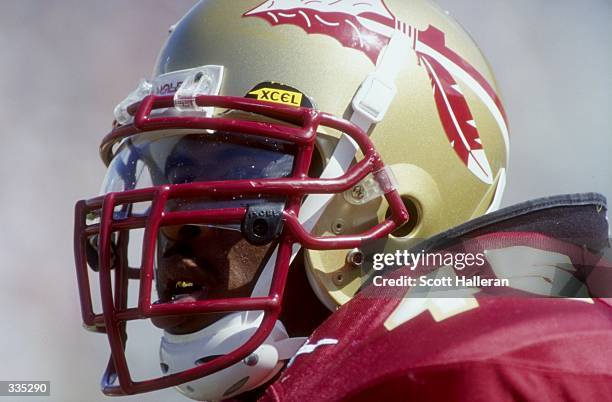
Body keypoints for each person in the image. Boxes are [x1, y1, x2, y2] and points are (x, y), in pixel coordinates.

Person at [73, 1, 612, 401]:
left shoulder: (489, 372)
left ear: (389, 213)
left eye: (233, 169)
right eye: (173, 172)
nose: (172, 226)